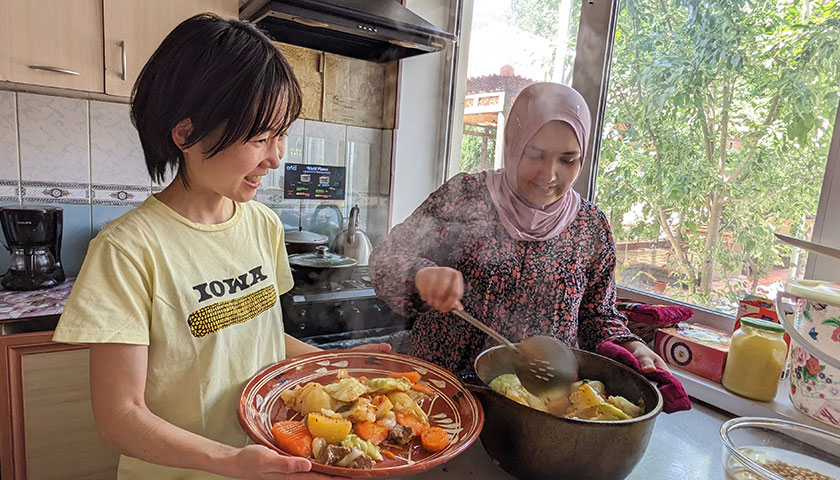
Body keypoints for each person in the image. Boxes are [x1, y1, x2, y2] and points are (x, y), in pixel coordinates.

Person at [53, 14, 383, 480]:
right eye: (259, 137)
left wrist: (337, 363)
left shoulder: (264, 226)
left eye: (281, 134)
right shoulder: (126, 250)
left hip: (267, 460)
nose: (276, 157)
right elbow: (119, 418)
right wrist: (229, 461)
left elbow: (258, 342)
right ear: (185, 134)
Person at [370, 82, 668, 375]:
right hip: (446, 392)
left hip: (539, 403)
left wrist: (631, 344)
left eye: (568, 159)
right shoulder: (465, 196)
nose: (549, 175)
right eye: (535, 154)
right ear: (513, 144)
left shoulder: (590, 227)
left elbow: (597, 315)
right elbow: (385, 260)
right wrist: (421, 275)